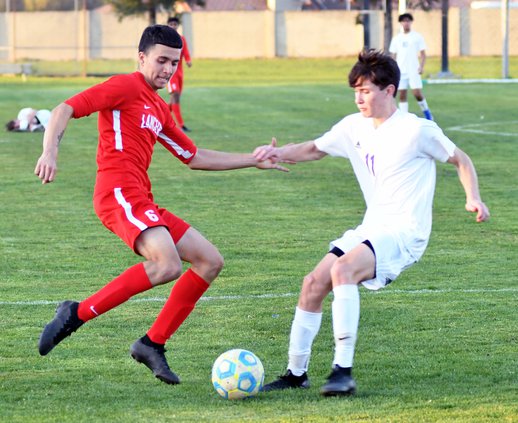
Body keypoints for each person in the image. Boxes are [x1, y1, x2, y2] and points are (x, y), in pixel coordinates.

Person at [35, 24, 287, 385]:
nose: (168, 69)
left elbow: (194, 156)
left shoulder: (159, 107)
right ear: (142, 58)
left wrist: (252, 159)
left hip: (142, 198)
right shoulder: (124, 86)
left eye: (174, 62)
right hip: (117, 193)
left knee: (209, 261)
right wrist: (50, 152)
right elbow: (65, 109)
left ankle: (152, 343)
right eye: (162, 61)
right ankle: (76, 313)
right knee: (167, 264)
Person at [254, 49, 489, 397]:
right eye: (356, 90)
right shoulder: (353, 127)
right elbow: (314, 149)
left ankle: (342, 370)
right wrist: (275, 154)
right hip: (372, 227)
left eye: (365, 90)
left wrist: (473, 197)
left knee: (343, 271)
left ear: (389, 90)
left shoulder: (417, 130)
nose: (358, 97)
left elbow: (461, 159)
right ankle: (295, 373)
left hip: (405, 231)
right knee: (313, 283)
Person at [389, 13, 433, 120]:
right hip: (400, 71)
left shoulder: (417, 37)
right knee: (402, 94)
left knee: (417, 93)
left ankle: (427, 113)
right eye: (404, 21)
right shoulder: (396, 38)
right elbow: (393, 55)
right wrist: (392, 69)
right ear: (400, 23)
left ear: (411, 22)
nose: (406, 23)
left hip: (413, 70)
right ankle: (404, 118)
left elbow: (423, 54)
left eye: (408, 21)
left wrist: (421, 66)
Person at [166, 16, 192, 132]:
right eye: (171, 24)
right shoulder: (165, 40)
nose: (173, 26)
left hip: (180, 73)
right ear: (168, 25)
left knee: (174, 100)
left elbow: (185, 51)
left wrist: (188, 60)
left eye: (175, 24)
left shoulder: (181, 39)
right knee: (175, 96)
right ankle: (181, 125)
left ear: (177, 26)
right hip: (170, 72)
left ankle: (159, 117)